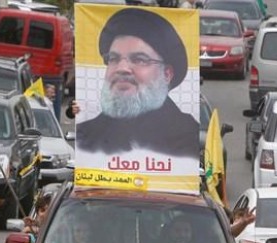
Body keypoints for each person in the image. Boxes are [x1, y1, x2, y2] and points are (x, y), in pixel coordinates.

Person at [76, 8, 199, 160]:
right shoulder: (87, 135)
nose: (122, 69)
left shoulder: (188, 135)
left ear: (167, 74)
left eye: (139, 59)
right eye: (114, 59)